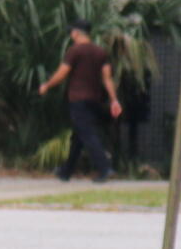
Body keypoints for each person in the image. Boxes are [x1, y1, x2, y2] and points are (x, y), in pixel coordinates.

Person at [39, 20, 121, 184]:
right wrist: (114, 100)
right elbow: (107, 78)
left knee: (87, 134)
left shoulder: (74, 51)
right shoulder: (100, 52)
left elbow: (62, 73)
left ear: (76, 33)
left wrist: (47, 85)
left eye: (72, 32)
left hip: (78, 99)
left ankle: (105, 168)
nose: (71, 35)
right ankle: (65, 171)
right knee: (78, 136)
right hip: (94, 100)